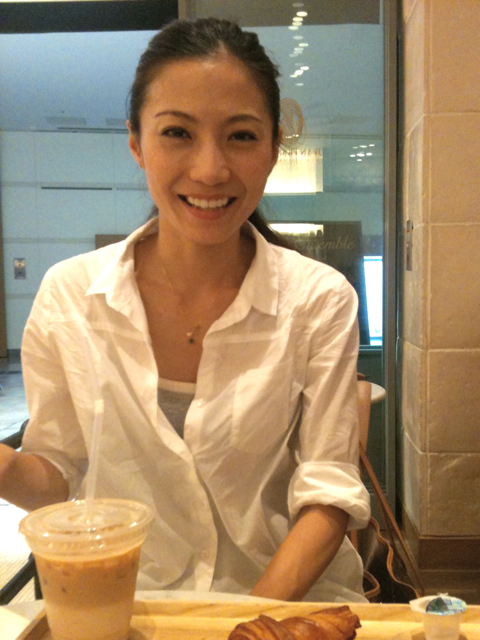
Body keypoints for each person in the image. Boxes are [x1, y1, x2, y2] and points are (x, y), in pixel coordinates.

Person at [0, 18, 370, 602]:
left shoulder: (318, 300)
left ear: (274, 147)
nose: (209, 170)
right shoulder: (70, 296)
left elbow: (329, 492)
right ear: (135, 143)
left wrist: (240, 628)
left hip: (282, 608)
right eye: (177, 132)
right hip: (129, 603)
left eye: (241, 136)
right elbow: (57, 474)